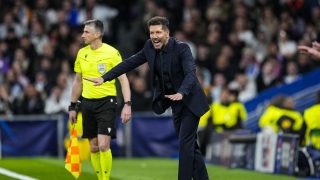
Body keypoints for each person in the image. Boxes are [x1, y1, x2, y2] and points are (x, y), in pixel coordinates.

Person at [85, 16, 209, 180]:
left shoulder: (182, 48)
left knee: (185, 145)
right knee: (191, 146)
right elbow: (129, 63)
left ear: (167, 33)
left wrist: (182, 92)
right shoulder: (149, 47)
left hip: (191, 101)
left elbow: (191, 74)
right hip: (175, 104)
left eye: (158, 32)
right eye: (152, 33)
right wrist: (105, 77)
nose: (155, 36)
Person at [68, 19, 131, 180]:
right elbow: (77, 81)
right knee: (94, 147)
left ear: (98, 34)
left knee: (103, 145)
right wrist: (72, 106)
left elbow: (123, 79)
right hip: (87, 103)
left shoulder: (112, 53)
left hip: (107, 103)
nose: (83, 35)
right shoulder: (82, 53)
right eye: (83, 31)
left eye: (86, 32)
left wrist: (127, 104)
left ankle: (105, 179)